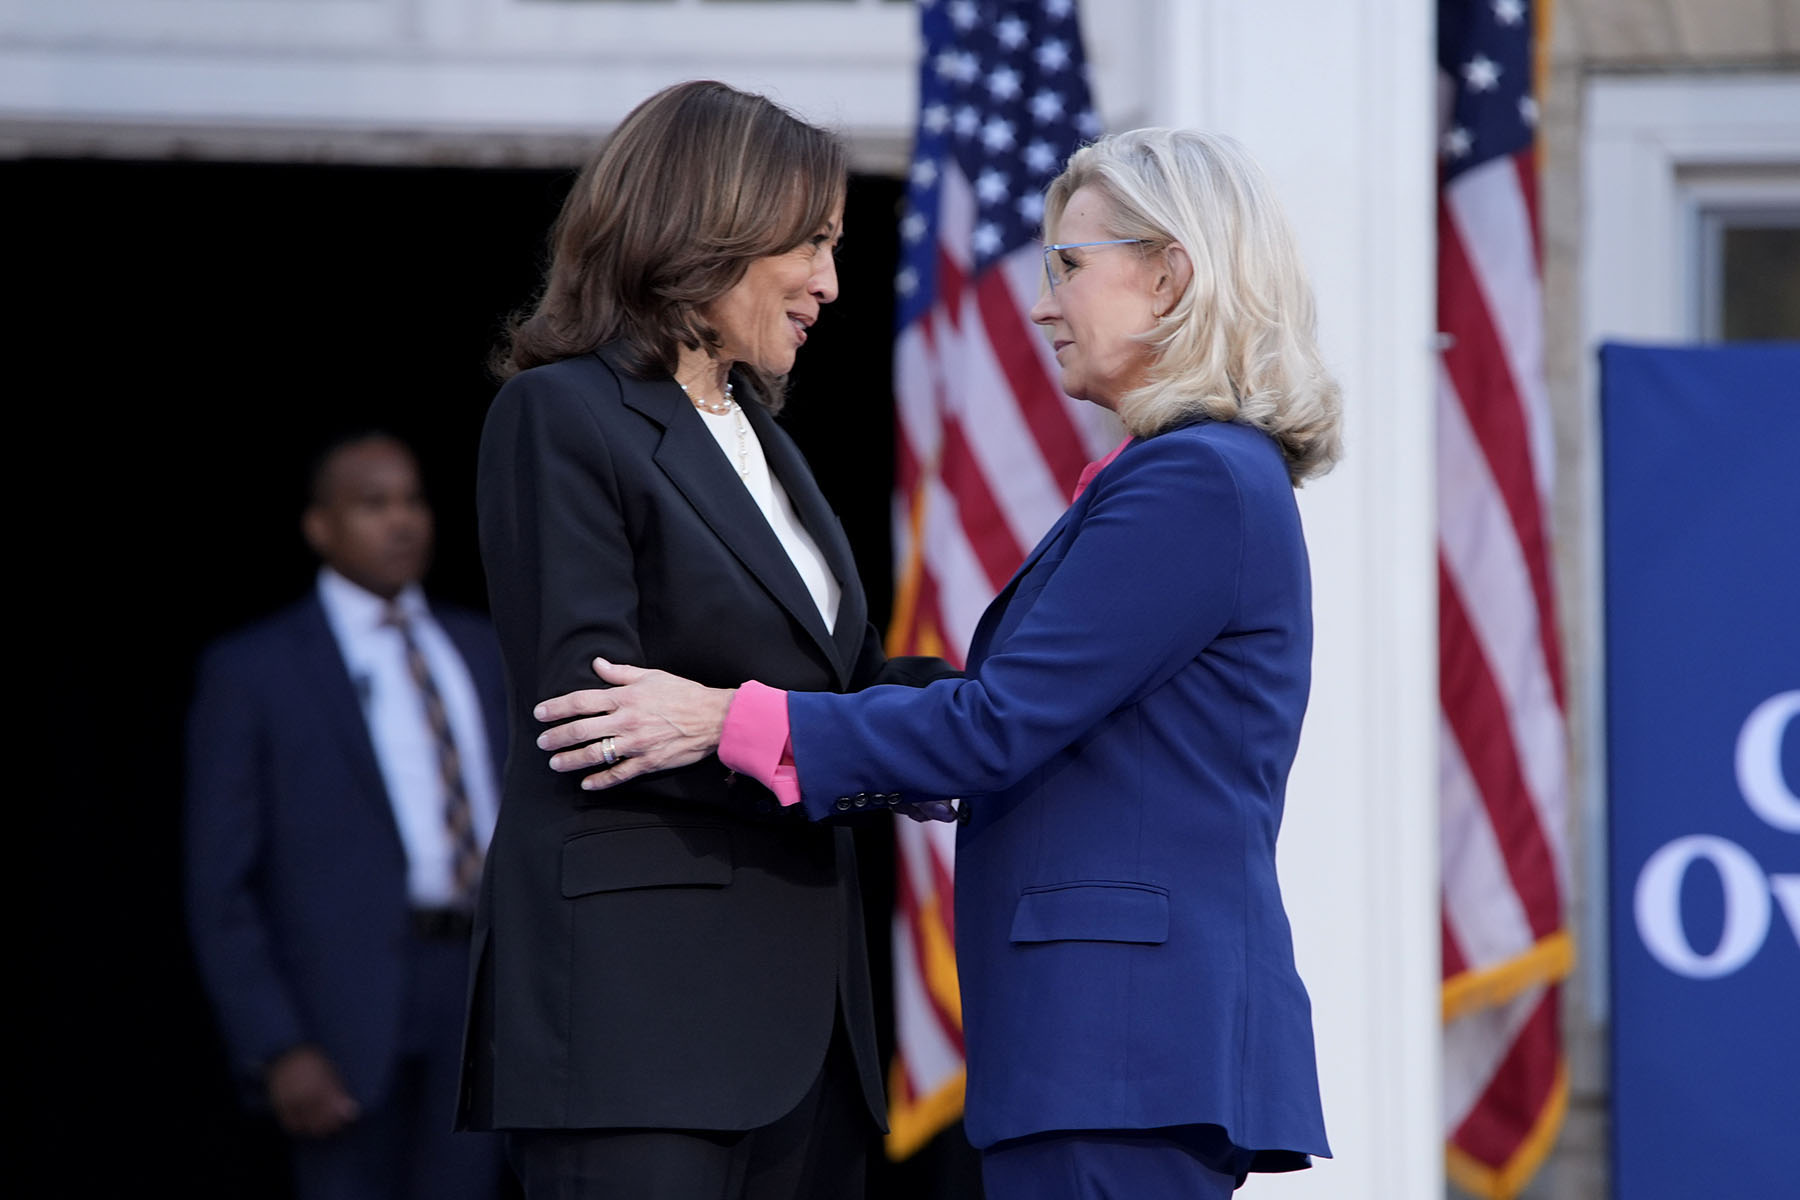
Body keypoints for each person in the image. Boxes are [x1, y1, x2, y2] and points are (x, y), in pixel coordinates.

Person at [533, 127, 1342, 1199]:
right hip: (1114, 1050)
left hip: (1123, 1048)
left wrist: (727, 719)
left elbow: (997, 726)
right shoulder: (1195, 474)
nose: (1044, 303)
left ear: (1170, 274)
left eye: (1067, 264)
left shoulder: (1195, 480)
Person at [460, 79, 954, 1200]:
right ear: (713, 225)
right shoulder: (563, 413)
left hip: (804, 1028)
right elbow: (597, 719)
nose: (832, 282)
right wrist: (827, 748)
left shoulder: (762, 442)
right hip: (644, 1023)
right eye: (814, 243)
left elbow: (834, 683)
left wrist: (996, 709)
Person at [185, 432, 509, 1200]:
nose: (402, 521)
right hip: (342, 1008)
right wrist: (277, 1043)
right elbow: (220, 879)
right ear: (320, 527)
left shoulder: (482, 648)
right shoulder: (256, 669)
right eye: (373, 504)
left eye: (413, 500)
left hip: (479, 989)